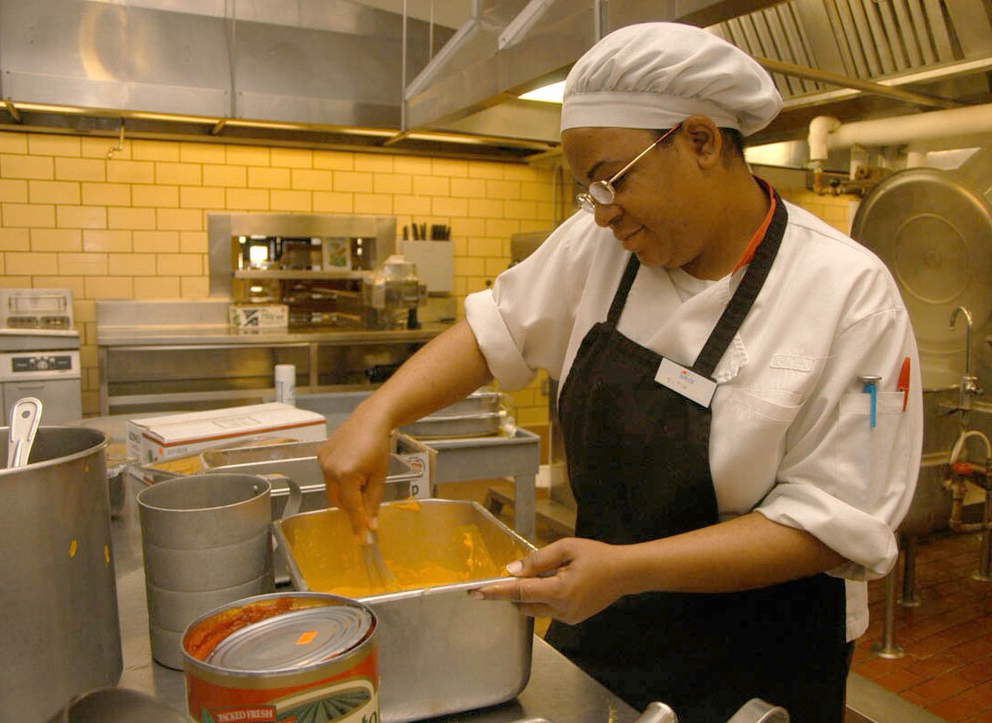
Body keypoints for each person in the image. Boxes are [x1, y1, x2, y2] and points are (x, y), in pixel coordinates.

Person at [319, 21, 922, 722]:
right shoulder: (602, 246)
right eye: (588, 190)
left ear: (699, 139)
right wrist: (378, 413)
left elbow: (831, 524)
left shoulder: (848, 295)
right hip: (606, 622)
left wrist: (627, 569)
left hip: (762, 655)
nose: (601, 213)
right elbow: (496, 332)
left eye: (610, 180)